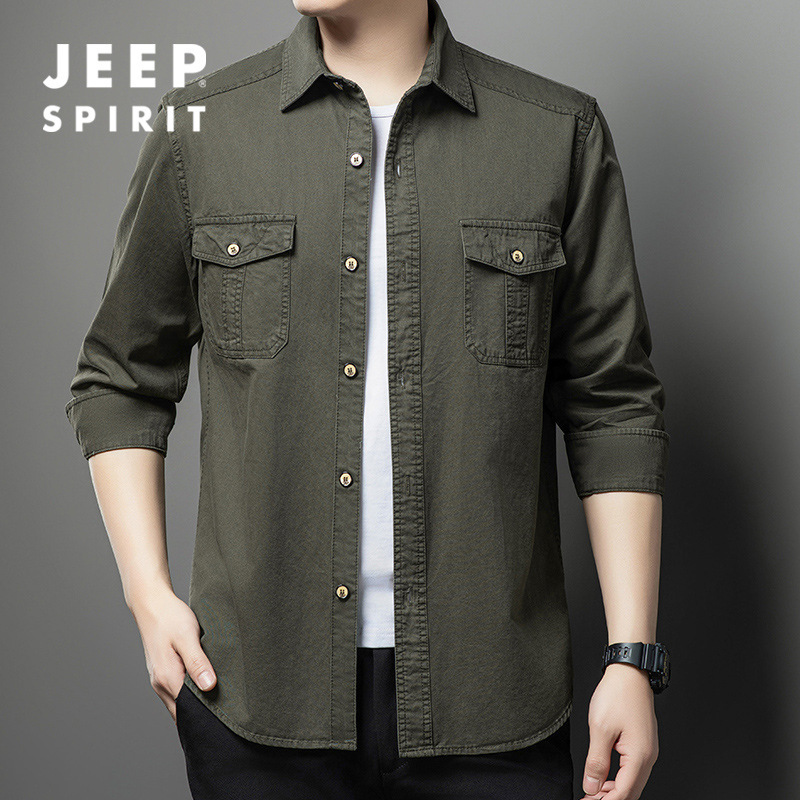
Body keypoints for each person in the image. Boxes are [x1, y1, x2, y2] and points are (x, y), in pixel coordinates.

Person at [64, 0, 671, 798]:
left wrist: (631, 657)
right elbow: (119, 378)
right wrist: (148, 599)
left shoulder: (556, 134)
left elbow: (612, 406)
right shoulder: (201, 129)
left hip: (493, 703)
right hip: (257, 701)